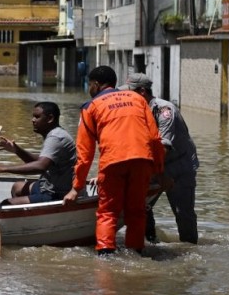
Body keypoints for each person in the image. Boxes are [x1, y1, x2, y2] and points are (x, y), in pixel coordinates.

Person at [63, 65, 164, 256]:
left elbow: (85, 154)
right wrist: (158, 171)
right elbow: (154, 138)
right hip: (142, 161)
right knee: (136, 211)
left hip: (113, 162)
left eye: (89, 85)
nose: (89, 89)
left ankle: (106, 255)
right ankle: (136, 253)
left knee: (108, 212)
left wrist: (76, 188)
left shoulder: (90, 107)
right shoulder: (137, 99)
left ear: (96, 84)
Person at [128, 74, 199, 244]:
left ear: (142, 92)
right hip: (155, 165)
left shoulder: (165, 110)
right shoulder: (138, 111)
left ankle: (189, 249)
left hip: (179, 165)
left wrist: (157, 175)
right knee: (143, 206)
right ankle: (151, 242)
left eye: (131, 93)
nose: (128, 97)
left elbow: (163, 148)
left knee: (183, 213)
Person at [0, 101, 76, 205]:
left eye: (37, 117)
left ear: (50, 119)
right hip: (47, 185)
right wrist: (17, 150)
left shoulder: (56, 137)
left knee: (7, 204)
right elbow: (41, 161)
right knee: (17, 187)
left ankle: (26, 212)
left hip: (57, 193)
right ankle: (26, 213)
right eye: (33, 117)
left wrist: (3, 168)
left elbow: (40, 166)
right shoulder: (54, 133)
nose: (33, 120)